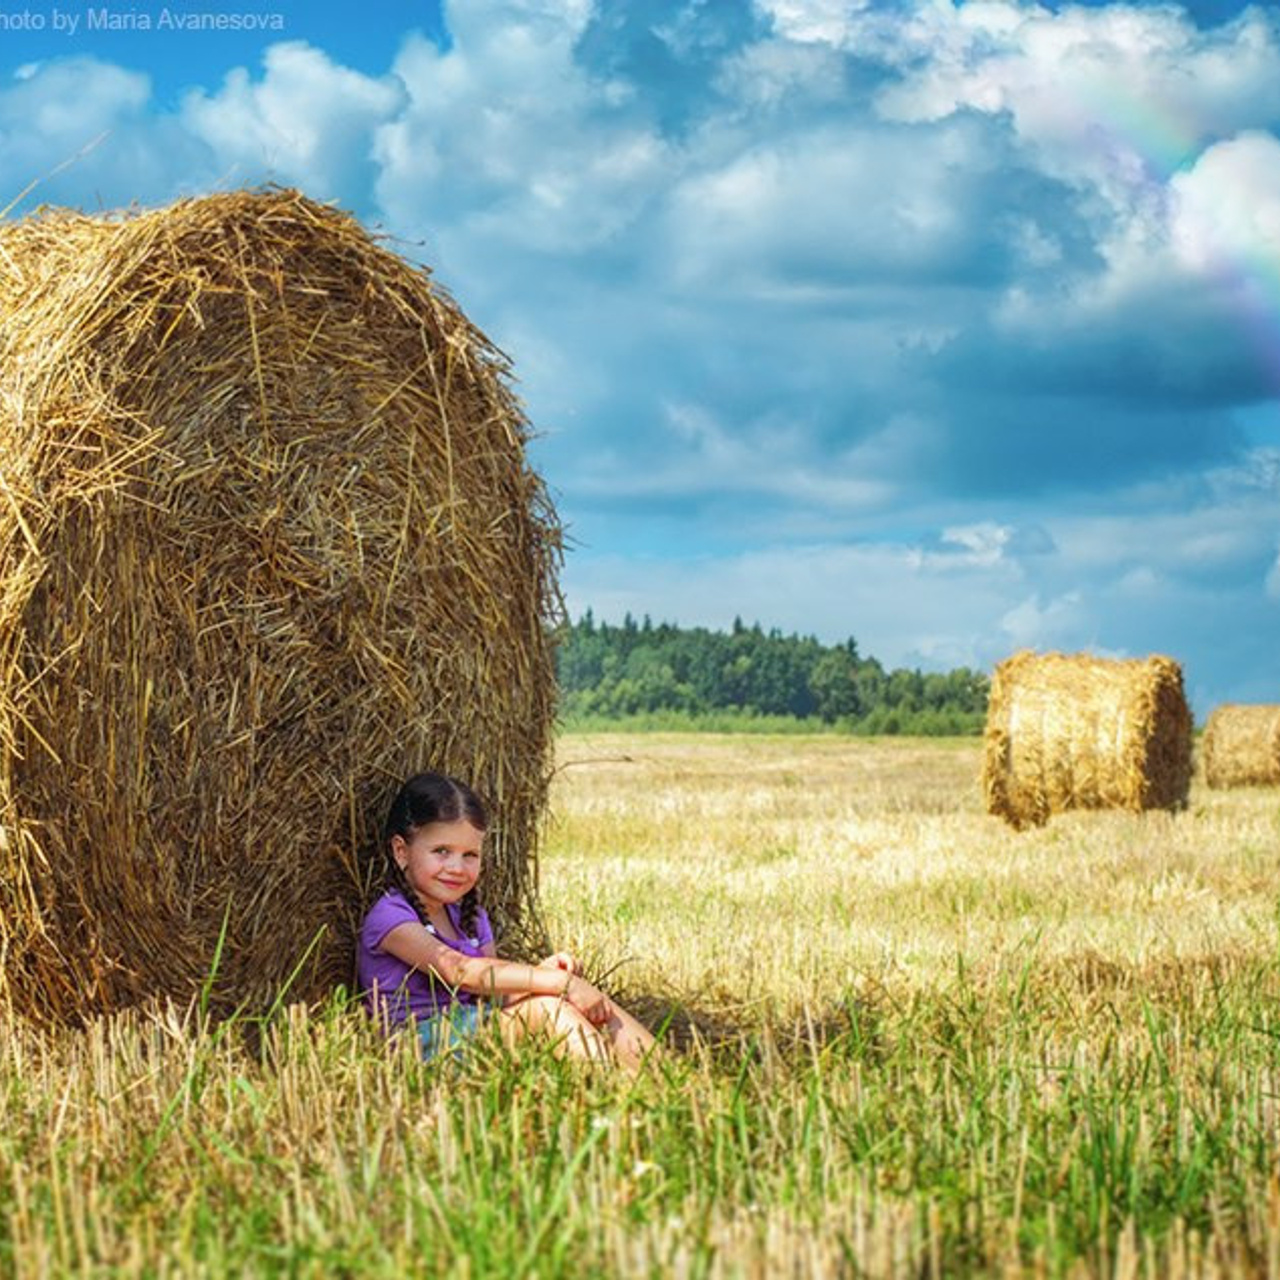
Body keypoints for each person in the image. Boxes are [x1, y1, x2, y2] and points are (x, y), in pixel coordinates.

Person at [357, 770, 658, 1072]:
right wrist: (559, 983)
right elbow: (461, 971)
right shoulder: (391, 917)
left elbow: (491, 990)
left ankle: (668, 1076)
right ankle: (621, 1096)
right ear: (401, 851)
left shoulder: (471, 917)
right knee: (547, 1009)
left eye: (470, 855)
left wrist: (544, 976)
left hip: (474, 1029)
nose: (457, 867)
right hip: (420, 1046)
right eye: (441, 851)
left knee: (580, 999)